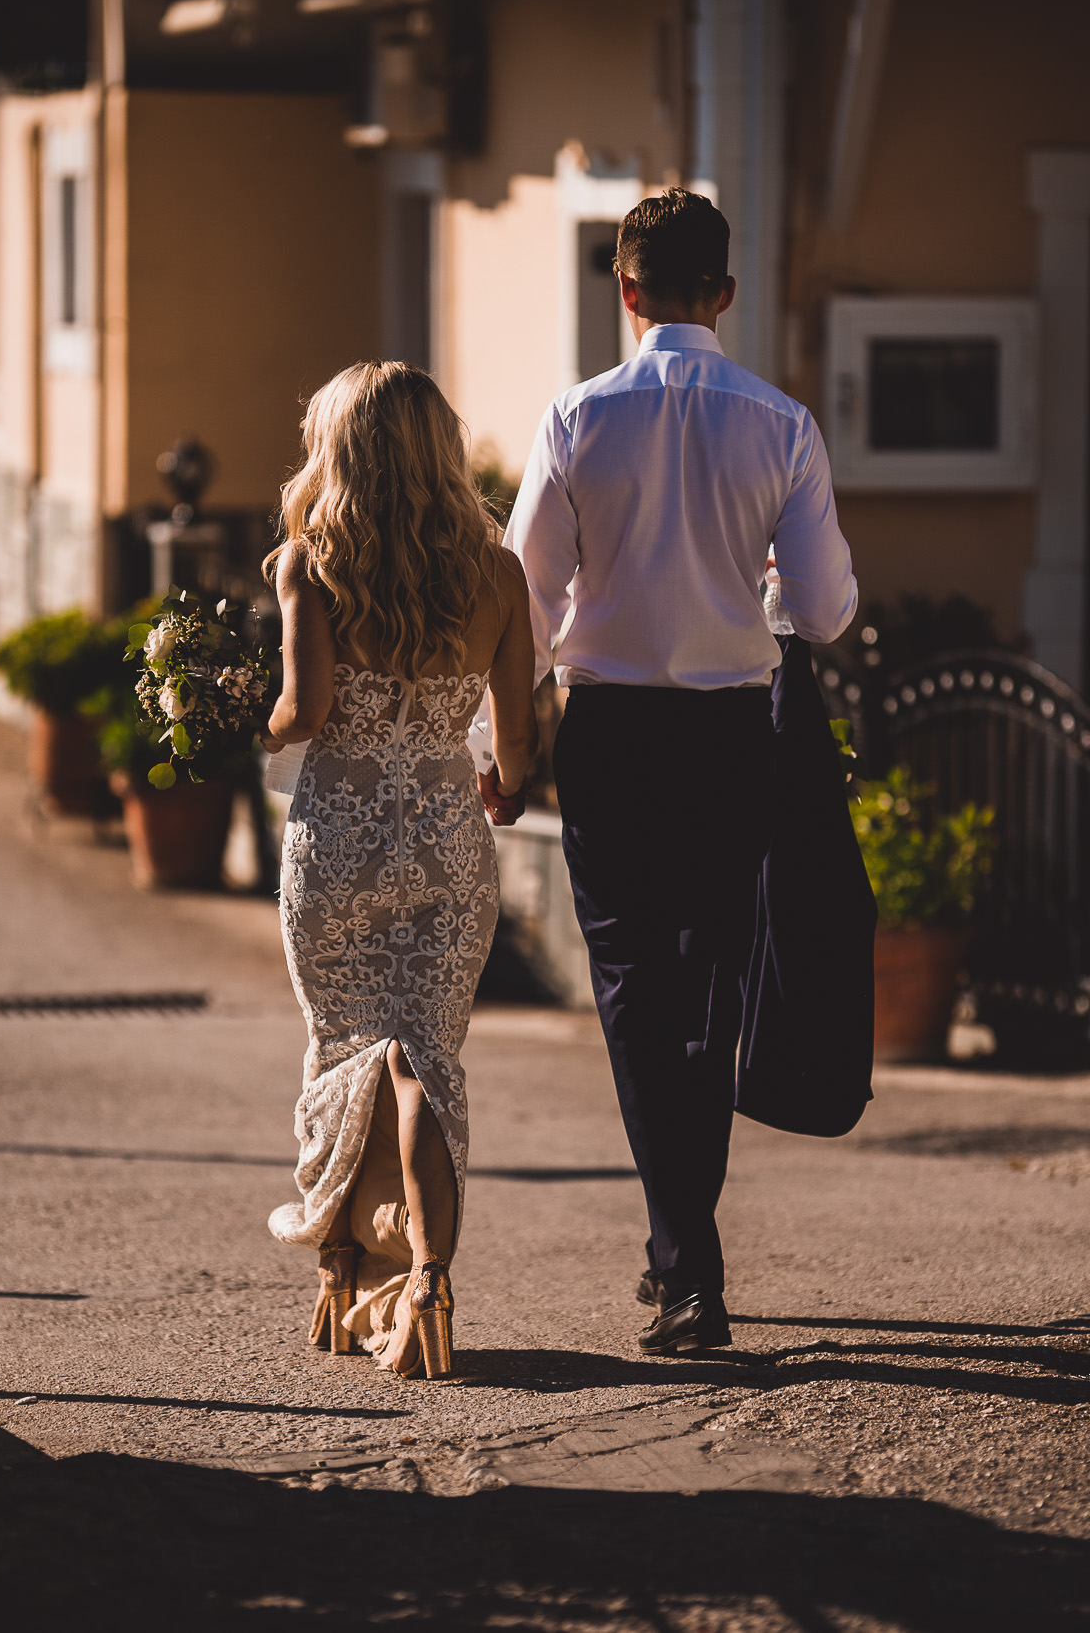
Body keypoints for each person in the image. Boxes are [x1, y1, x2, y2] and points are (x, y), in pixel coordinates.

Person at [501, 190, 859, 1355]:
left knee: (632, 988)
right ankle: (683, 1253)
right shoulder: (783, 425)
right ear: (725, 293)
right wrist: (752, 591)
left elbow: (525, 594)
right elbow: (825, 610)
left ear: (625, 287)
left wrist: (500, 741)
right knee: (710, 981)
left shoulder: (573, 419)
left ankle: (685, 1258)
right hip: (726, 733)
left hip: (609, 734)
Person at [261, 361, 537, 1379]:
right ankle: (422, 1275)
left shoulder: (309, 564)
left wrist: (241, 719)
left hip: (336, 843)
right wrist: (497, 786)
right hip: (444, 848)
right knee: (422, 1056)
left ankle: (342, 1266)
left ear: (338, 452)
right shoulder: (498, 573)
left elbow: (305, 711)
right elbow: (513, 745)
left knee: (344, 1051)